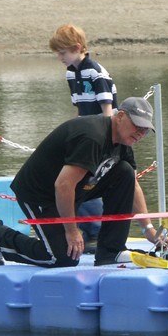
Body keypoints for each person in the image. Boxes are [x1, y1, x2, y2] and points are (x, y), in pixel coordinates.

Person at [0, 97, 168, 268]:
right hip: (41, 193)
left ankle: (111, 251)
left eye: (145, 130)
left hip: (73, 188)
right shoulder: (93, 136)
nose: (140, 133)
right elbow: (63, 185)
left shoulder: (124, 142)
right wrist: (72, 230)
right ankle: (2, 237)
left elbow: (133, 186)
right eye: (137, 126)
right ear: (120, 116)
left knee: (124, 173)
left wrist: (149, 229)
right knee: (63, 258)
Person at [49, 23, 119, 251]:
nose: (60, 57)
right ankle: (86, 230)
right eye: (58, 53)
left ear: (77, 48)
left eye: (63, 52)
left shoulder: (93, 71)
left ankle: (97, 232)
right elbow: (79, 107)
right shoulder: (72, 72)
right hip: (87, 131)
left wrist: (105, 135)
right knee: (78, 180)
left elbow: (107, 107)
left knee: (91, 180)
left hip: (101, 132)